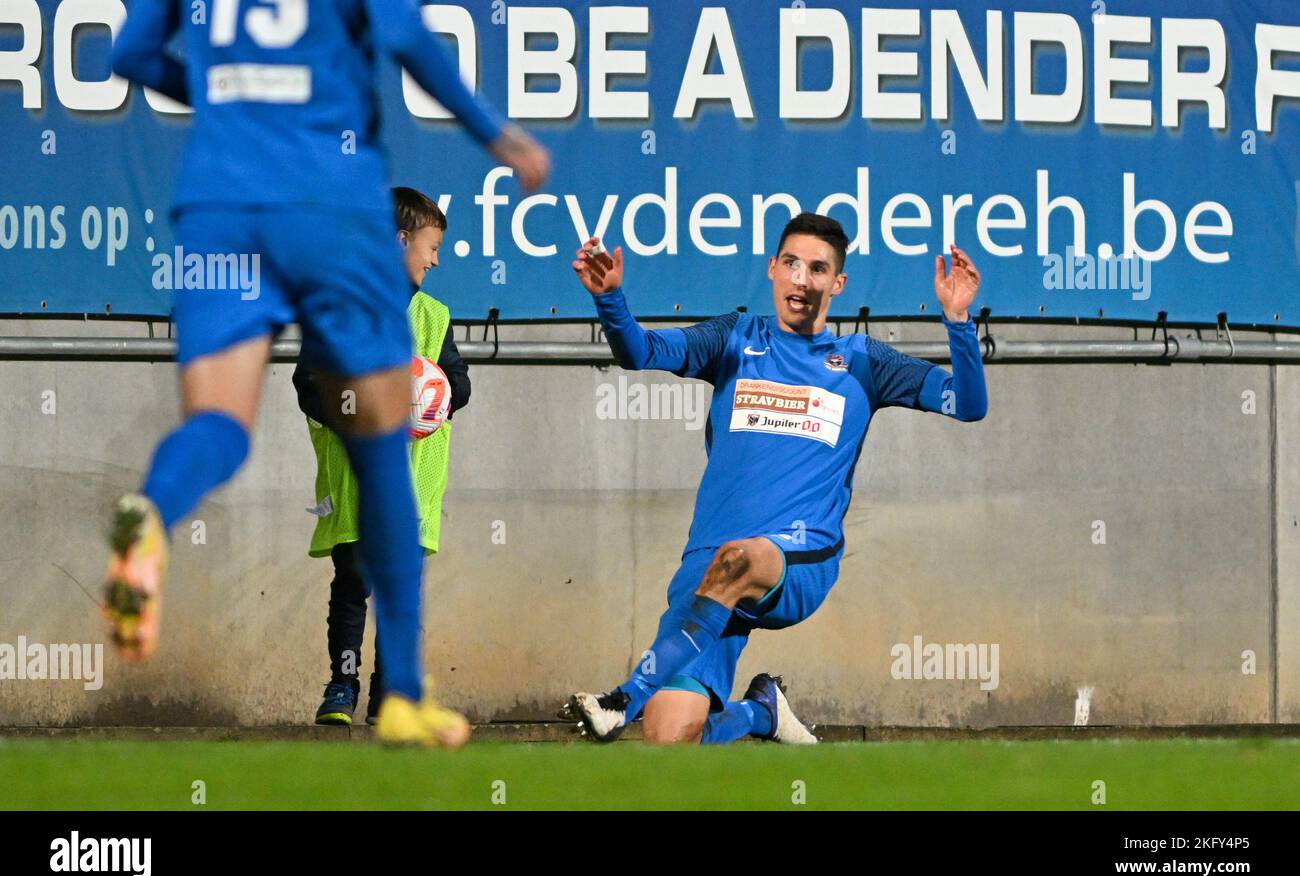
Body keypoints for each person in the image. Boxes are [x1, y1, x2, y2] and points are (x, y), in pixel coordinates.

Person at [105, 0, 549, 748]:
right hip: (328, 204)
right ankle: (403, 695)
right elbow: (409, 38)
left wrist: (224, 103)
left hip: (222, 203)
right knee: (382, 444)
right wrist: (497, 135)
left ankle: (150, 514)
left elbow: (131, 57)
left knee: (218, 424)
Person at [563, 213, 988, 745]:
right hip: (708, 575)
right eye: (791, 264)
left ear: (838, 284)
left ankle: (621, 700)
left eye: (818, 269)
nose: (802, 280)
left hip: (797, 560)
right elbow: (642, 352)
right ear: (772, 269)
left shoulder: (863, 361)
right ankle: (760, 712)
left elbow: (967, 404)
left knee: (737, 560)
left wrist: (958, 322)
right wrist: (610, 300)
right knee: (670, 739)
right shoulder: (734, 339)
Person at [296, 188, 469, 727]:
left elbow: (459, 387)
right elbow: (308, 383)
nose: (436, 260)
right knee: (352, 585)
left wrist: (432, 392)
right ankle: (341, 685)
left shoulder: (434, 318)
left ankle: (391, 696)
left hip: (413, 487)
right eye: (432, 246)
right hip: (355, 483)